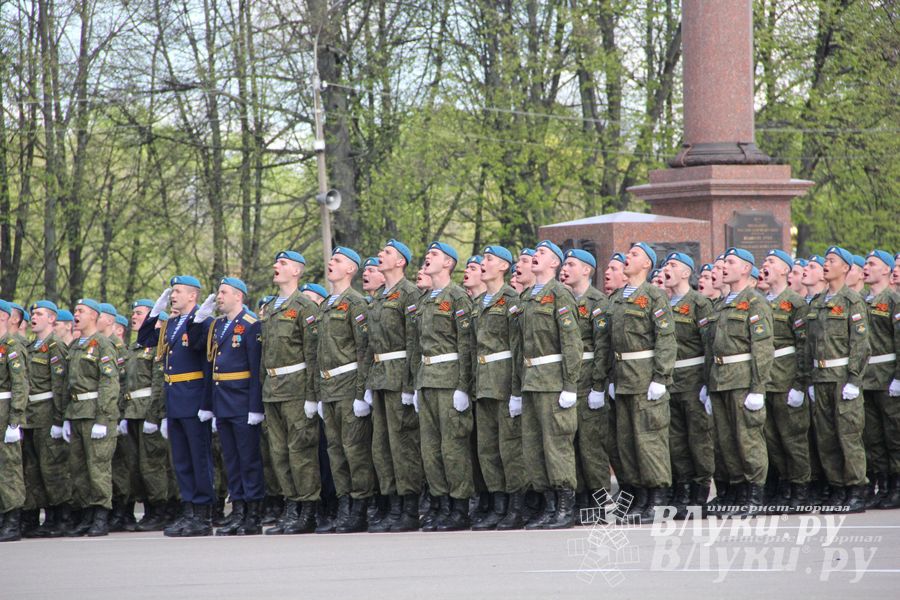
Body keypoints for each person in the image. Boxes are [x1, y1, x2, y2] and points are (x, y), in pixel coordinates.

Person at [139, 276, 216, 537]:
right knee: (181, 461)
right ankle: (189, 510)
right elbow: (146, 338)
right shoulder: (171, 323)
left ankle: (203, 514)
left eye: (178, 291)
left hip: (194, 399)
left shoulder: (203, 321)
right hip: (174, 398)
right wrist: (154, 313)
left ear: (192, 296)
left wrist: (207, 404)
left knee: (199, 458)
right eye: (172, 292)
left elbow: (205, 362)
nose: (173, 296)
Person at [606, 243, 675, 522]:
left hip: (645, 378)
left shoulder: (654, 296)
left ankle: (657, 499)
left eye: (634, 255)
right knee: (627, 444)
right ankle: (639, 499)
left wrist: (660, 377)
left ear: (647, 264)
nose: (626, 257)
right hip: (622, 379)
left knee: (649, 441)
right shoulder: (618, 298)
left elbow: (666, 340)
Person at [703, 248, 774, 517]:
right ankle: (735, 493)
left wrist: (758, 388)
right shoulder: (721, 304)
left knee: (748, 439)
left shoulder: (754, 302)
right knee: (725, 442)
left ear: (746, 269)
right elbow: (712, 349)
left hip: (743, 379)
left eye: (731, 263)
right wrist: (706, 385)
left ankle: (754, 494)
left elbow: (763, 348)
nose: (724, 267)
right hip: (719, 381)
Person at [516, 240, 581, 530]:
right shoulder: (528, 296)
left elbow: (571, 343)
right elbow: (520, 347)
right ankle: (549, 505)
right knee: (534, 447)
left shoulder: (559, 295)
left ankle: (565, 506)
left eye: (541, 253)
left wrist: (570, 385)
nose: (534, 257)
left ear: (554, 263)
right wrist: (517, 389)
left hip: (553, 381)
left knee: (556, 445)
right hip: (531, 382)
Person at [193, 277, 265, 535]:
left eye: (223, 292)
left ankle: (253, 515)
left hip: (243, 402)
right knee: (231, 461)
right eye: (218, 292)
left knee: (249, 460)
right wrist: (200, 319)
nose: (219, 297)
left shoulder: (250, 324)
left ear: (238, 296)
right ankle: (238, 511)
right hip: (223, 402)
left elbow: (256, 370)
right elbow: (206, 357)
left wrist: (256, 407)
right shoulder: (219, 326)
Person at [258, 252, 322, 535]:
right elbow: (264, 356)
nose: (276, 267)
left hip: (296, 387)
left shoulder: (305, 306)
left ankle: (307, 509)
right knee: (279, 453)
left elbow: (312, 354)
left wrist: (311, 395)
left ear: (296, 271)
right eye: (276, 263)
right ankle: (291, 505)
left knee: (301, 451)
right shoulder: (270, 307)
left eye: (282, 264)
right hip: (272, 389)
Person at [362, 240, 423, 533]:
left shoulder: (409, 293)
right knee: (382, 445)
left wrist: (411, 384)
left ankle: (409, 507)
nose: (379, 256)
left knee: (403, 444)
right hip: (379, 375)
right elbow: (368, 344)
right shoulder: (378, 296)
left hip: (399, 374)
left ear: (400, 262)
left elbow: (413, 341)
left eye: (386, 253)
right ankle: (393, 504)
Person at [414, 241, 475, 531]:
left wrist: (463, 386)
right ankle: (440, 504)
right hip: (427, 380)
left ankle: (459, 506)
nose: (428, 258)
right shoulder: (425, 300)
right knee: (431, 449)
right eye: (427, 255)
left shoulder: (458, 297)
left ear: (448, 264)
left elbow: (466, 345)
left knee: (453, 447)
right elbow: (418, 346)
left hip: (449, 380)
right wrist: (416, 385)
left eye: (434, 255)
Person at [806, 246, 870, 513]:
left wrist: (854, 380)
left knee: (848, 435)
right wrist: (809, 379)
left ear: (845, 267)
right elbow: (808, 344)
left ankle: (856, 488)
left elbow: (860, 344)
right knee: (826, 436)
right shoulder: (818, 301)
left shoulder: (852, 301)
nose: (826, 264)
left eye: (831, 261)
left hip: (842, 377)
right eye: (825, 260)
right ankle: (837, 488)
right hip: (820, 377)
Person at [468, 245, 527, 530]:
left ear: (503, 267)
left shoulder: (512, 299)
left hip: (504, 380)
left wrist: (517, 390)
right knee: (487, 448)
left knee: (509, 447)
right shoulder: (479, 302)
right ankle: (498, 502)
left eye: (489, 259)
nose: (483, 263)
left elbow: (517, 348)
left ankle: (516, 504)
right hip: (483, 381)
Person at [318, 247, 375, 533]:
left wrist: (361, 392)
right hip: (328, 388)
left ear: (351, 270)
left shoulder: (356, 303)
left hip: (349, 384)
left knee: (355, 450)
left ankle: (361, 505)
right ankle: (344, 504)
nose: (331, 263)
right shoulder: (327, 303)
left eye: (337, 261)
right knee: (335, 451)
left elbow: (364, 350)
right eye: (331, 260)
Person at [560, 249, 612, 518]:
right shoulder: (563, 298)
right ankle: (581, 500)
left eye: (571, 264)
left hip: (589, 379)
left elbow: (603, 347)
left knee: (592, 447)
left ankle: (601, 503)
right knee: (572, 444)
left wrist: (599, 386)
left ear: (587, 270)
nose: (564, 268)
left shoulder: (597, 301)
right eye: (564, 263)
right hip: (569, 381)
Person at [661, 252, 714, 519]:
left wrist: (707, 381)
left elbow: (708, 344)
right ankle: (682, 489)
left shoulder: (699, 303)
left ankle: (700, 490)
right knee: (675, 440)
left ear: (685, 273)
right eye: (666, 264)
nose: (666, 269)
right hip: (670, 381)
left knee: (698, 438)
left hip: (693, 379)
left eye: (672, 265)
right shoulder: (662, 303)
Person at [760, 250, 811, 514]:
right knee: (771, 439)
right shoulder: (760, 302)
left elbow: (803, 346)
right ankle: (783, 486)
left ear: (785, 270)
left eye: (771, 262)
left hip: (786, 379)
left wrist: (801, 384)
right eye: (764, 262)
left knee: (793, 438)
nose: (765, 265)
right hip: (765, 381)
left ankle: (800, 489)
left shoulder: (795, 303)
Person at [63, 299, 120, 536]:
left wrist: (103, 418)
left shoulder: (103, 344)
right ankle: (86, 512)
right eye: (76, 311)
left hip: (96, 413)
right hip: (76, 413)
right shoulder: (75, 345)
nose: (76, 315)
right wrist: (66, 416)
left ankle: (100, 514)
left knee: (98, 467)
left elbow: (109, 383)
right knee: (78, 468)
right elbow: (67, 384)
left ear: (94, 317)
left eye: (81, 311)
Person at [20, 301, 70, 538]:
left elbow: (60, 387)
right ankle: (39, 513)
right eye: (32, 314)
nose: (34, 317)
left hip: (48, 413)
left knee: (52, 468)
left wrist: (59, 420)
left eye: (39, 314)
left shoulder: (55, 346)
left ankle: (59, 516)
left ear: (52, 319)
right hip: (30, 415)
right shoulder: (31, 347)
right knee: (33, 470)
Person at [859, 249, 899, 509]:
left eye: (872, 264)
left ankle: (896, 485)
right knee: (873, 437)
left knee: (894, 434)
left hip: (887, 377)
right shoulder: (861, 302)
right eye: (865, 263)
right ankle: (882, 486)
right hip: (866, 378)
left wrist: (898, 377)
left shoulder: (893, 301)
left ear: (885, 269)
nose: (866, 267)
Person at [0, 299, 28, 542]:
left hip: (6, 411)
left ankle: (12, 519)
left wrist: (14, 421)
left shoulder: (11, 345)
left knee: (10, 468)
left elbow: (20, 384)